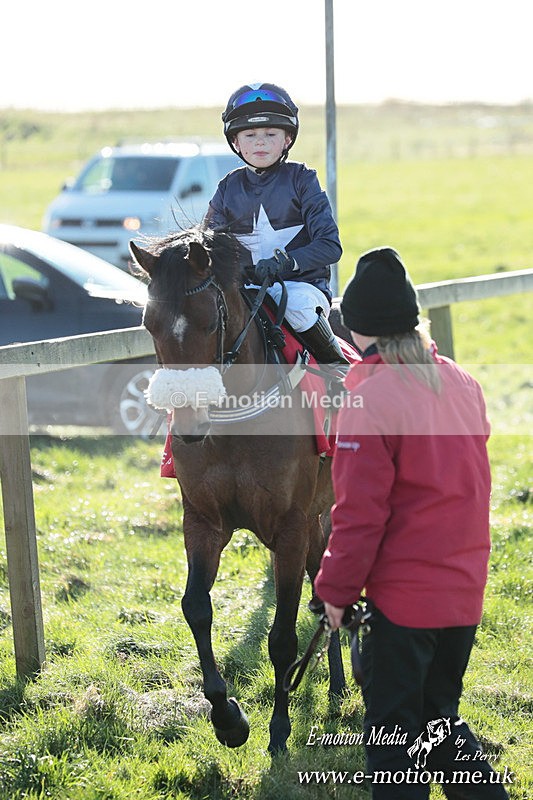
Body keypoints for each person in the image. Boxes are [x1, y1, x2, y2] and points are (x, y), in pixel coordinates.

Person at [314, 247, 509, 799]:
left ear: (355, 330)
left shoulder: (369, 400)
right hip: (462, 594)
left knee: (397, 752)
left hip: (404, 608)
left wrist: (333, 593)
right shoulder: (462, 384)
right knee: (438, 728)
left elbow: (358, 516)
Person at [205, 82, 348, 370]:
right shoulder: (227, 187)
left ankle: (337, 369)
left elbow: (330, 246)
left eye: (271, 134)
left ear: (287, 140)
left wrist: (285, 263)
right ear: (236, 142)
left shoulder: (302, 179)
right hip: (245, 287)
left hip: (300, 286)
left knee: (294, 304)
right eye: (250, 135)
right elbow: (208, 243)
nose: (260, 142)